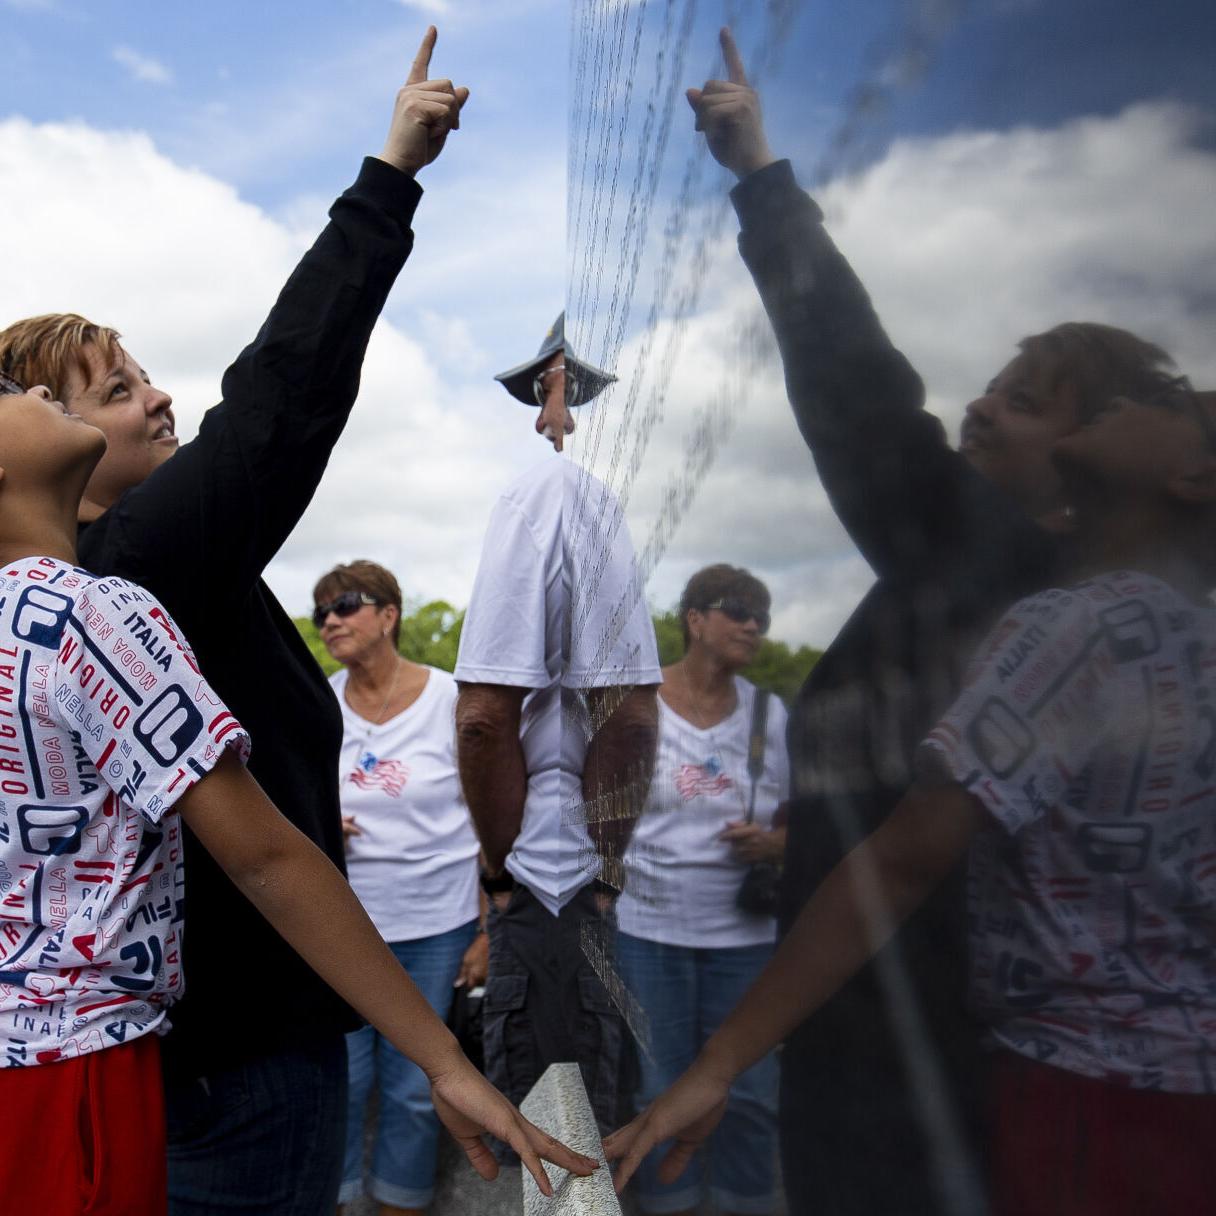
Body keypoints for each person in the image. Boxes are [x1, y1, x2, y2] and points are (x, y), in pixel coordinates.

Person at [674, 27, 1189, 1215]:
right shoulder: (1123, 612)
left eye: (1021, 399)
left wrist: (761, 184)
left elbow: (859, 390)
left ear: (1091, 469)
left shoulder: (991, 564)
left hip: (913, 1048)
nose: (977, 407)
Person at [0, 26, 469, 1214]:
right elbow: (276, 408)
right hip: (222, 1066)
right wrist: (388, 181)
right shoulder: (127, 574)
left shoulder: (138, 579)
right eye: (116, 388)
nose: (163, 395)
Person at [605, 381, 1216, 1216]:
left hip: (1081, 1089)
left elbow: (899, 862)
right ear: (692, 618)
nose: (753, 625)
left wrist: (723, 1062)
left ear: (1195, 474)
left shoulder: (1082, 629)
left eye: (1172, 397)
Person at [0, 371, 596, 1216]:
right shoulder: (90, 615)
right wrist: (446, 1061)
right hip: (78, 1077)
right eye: (1, 388)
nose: (28, 384)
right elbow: (267, 858)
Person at [454, 313, 662, 1139]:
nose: (556, 417)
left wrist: (503, 870)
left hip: (549, 878)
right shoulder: (572, 496)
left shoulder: (547, 493)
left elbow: (484, 720)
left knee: (562, 1144)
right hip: (570, 879)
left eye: (570, 394)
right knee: (570, 1131)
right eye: (546, 394)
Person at [614, 564, 789, 1216]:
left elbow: (805, 819)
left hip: (745, 937)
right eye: (739, 610)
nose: (753, 625)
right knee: (659, 1088)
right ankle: (672, 1204)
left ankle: (748, 1202)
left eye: (762, 617)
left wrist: (778, 846)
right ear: (694, 619)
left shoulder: (772, 715)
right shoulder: (634, 704)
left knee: (749, 1090)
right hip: (647, 932)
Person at [313, 560, 484, 1216]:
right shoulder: (318, 700)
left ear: (389, 615)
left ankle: (401, 1206)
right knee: (343, 1083)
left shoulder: (452, 699)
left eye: (347, 604)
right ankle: (336, 1202)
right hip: (340, 931)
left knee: (416, 1086)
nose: (330, 620)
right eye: (322, 609)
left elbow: (492, 817)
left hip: (435, 926)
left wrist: (489, 926)